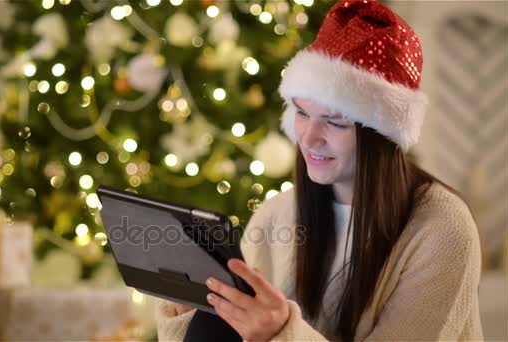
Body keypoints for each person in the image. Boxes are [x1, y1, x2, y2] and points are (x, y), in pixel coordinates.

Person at [154, 0, 484, 341]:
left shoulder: (443, 229)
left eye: (335, 122)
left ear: (380, 137)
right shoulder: (277, 214)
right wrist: (189, 313)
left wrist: (280, 333)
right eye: (301, 112)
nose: (309, 138)